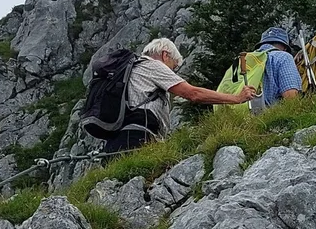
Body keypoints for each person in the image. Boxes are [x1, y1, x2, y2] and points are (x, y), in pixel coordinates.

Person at [101, 37, 258, 155]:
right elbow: (193, 94)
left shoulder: (132, 70)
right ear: (165, 55)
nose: (173, 72)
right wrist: (237, 98)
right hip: (137, 139)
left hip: (115, 141)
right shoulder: (152, 66)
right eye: (174, 67)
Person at [251, 25, 303, 109]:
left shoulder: (245, 60)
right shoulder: (283, 57)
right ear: (285, 47)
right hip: (267, 118)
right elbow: (290, 96)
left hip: (238, 118)